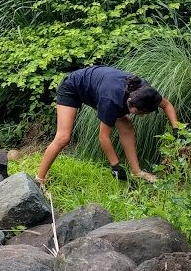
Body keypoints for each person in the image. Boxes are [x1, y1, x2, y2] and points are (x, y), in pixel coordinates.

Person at [35, 66, 180, 184]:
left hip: (101, 86)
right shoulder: (111, 100)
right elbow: (104, 137)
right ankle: (39, 180)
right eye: (141, 113)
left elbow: (166, 105)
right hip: (72, 86)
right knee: (63, 137)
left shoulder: (146, 93)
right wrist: (115, 165)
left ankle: (137, 172)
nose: (142, 116)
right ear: (130, 103)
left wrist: (176, 129)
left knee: (126, 124)